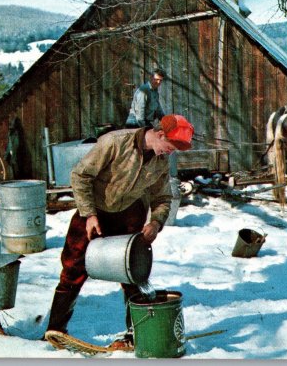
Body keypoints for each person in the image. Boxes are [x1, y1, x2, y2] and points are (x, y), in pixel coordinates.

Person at [44, 114, 193, 349]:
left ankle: (134, 334)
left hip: (129, 215)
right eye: (170, 146)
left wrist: (155, 222)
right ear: (161, 134)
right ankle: (55, 331)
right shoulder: (115, 142)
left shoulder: (160, 162)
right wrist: (89, 214)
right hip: (94, 211)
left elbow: (163, 197)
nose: (170, 152)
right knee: (73, 268)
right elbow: (80, 175)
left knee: (133, 273)